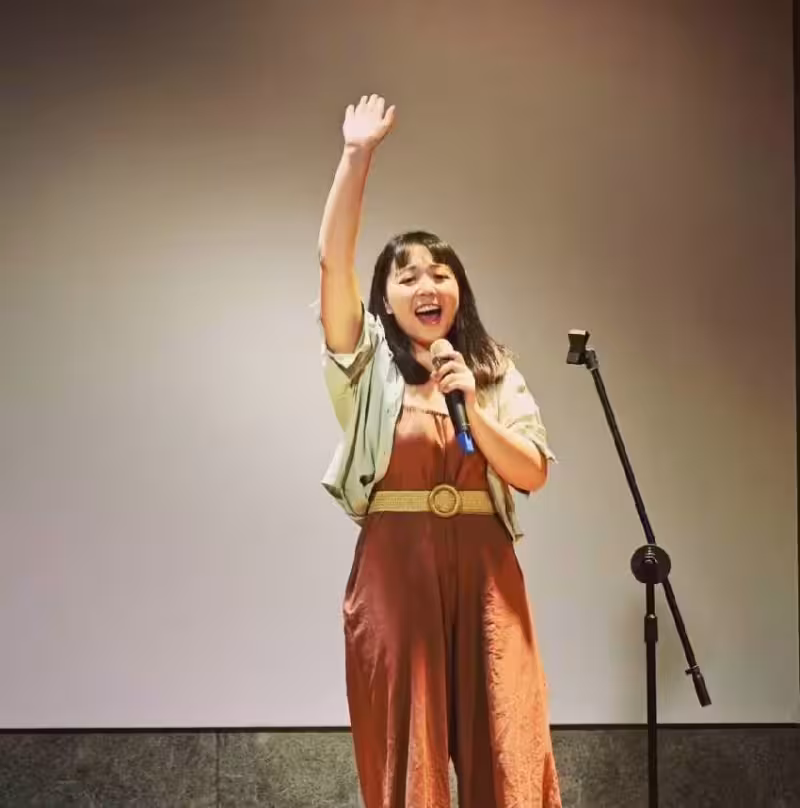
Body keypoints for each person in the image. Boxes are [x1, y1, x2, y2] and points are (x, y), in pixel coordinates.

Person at [317, 94, 562, 808]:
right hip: (398, 569)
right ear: (386, 299)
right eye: (408, 276)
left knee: (509, 740)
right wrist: (356, 157)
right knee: (408, 751)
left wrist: (475, 410)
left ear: (460, 291)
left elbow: (532, 472)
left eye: (440, 274)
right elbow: (333, 264)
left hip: (487, 569)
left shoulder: (492, 369)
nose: (427, 286)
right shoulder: (366, 363)